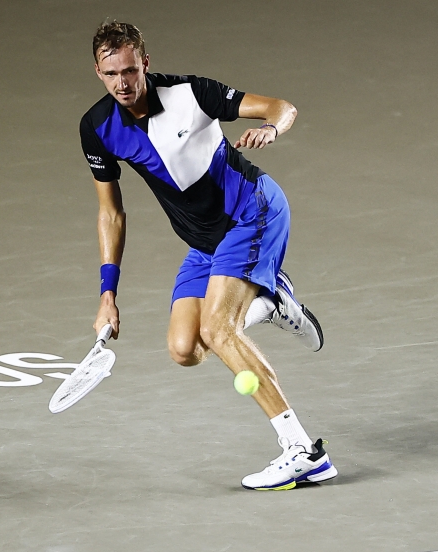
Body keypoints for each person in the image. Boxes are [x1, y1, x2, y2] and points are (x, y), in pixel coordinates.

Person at [79, 20, 336, 490]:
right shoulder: (97, 128)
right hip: (204, 244)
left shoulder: (191, 94)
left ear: (145, 64)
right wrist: (107, 294)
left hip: (253, 212)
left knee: (219, 329)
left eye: (131, 71)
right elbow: (110, 213)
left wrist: (272, 128)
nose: (123, 83)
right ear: (98, 71)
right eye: (111, 73)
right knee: (186, 349)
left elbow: (282, 106)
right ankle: (273, 302)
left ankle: (303, 451)